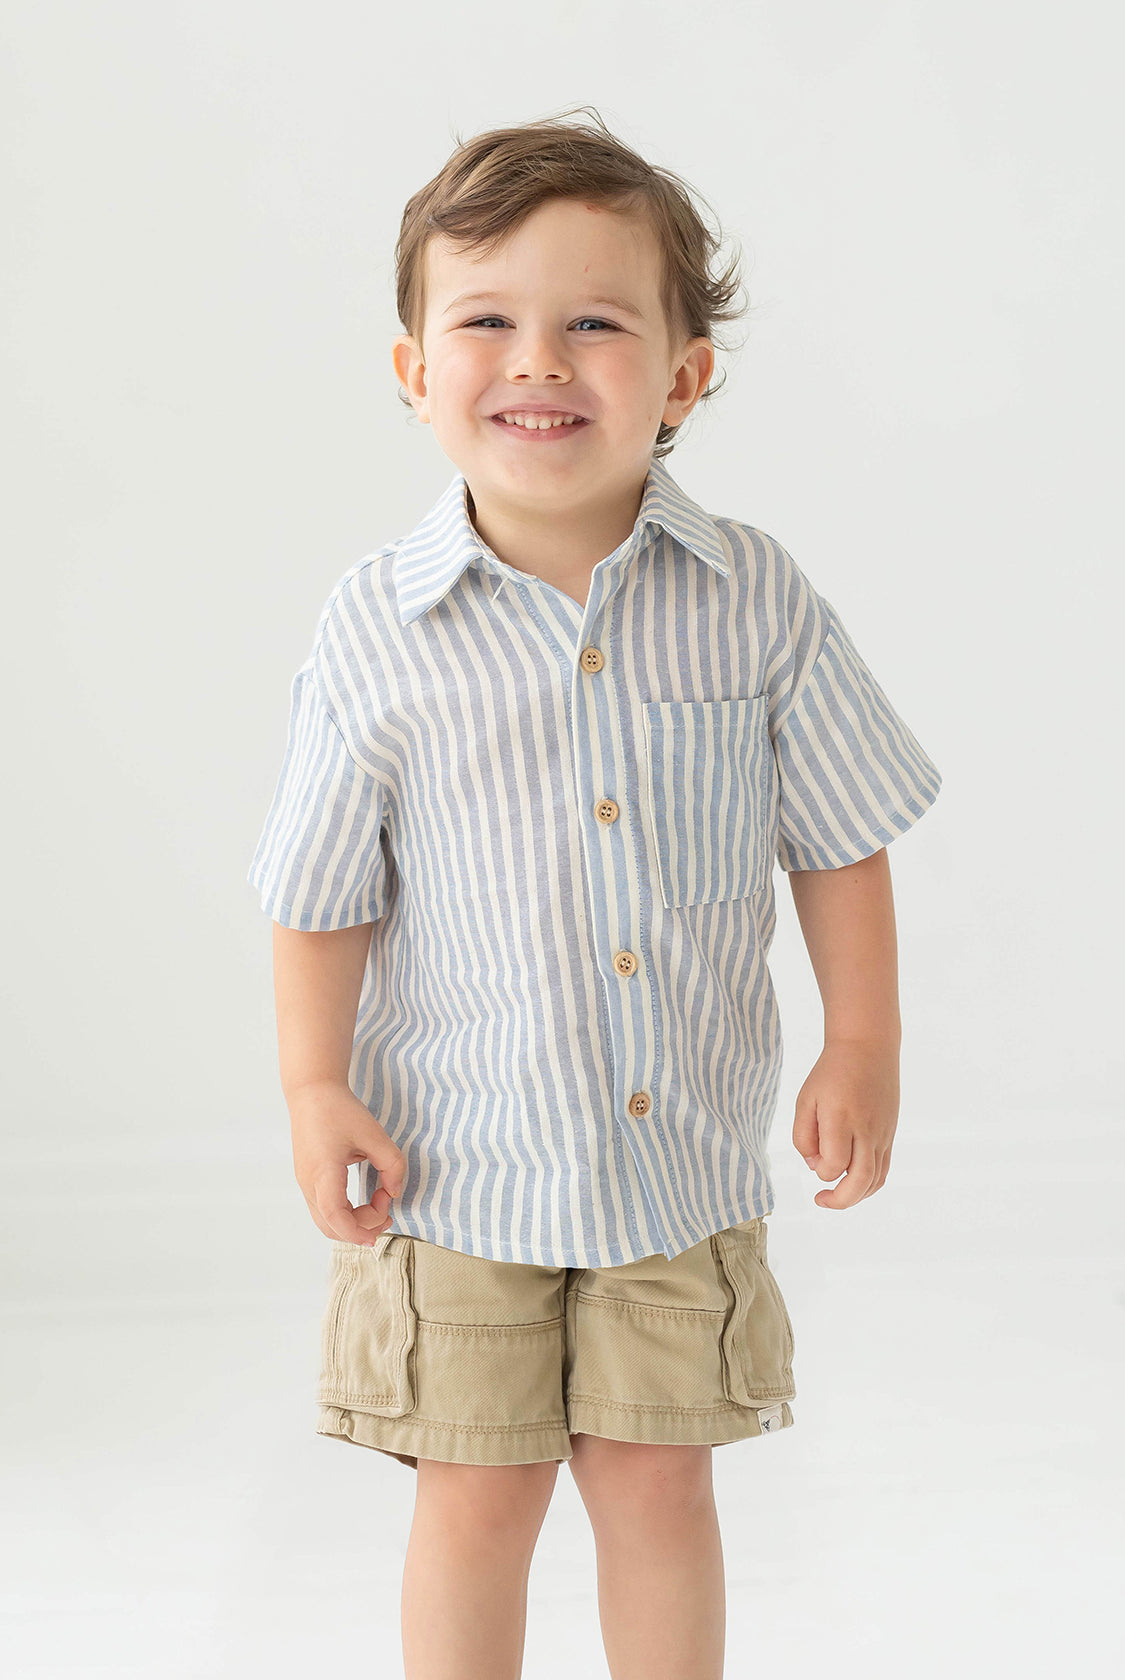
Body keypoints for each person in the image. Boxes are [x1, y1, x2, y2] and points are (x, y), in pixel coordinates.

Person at [246, 107, 942, 1680]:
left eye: (595, 324)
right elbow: (316, 887)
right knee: (475, 1496)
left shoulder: (754, 599)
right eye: (483, 320)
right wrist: (310, 1082)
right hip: (459, 1165)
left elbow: (837, 835)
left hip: (668, 1167)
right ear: (414, 369)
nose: (537, 361)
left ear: (683, 376)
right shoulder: (377, 630)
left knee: (655, 1483)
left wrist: (863, 1042)